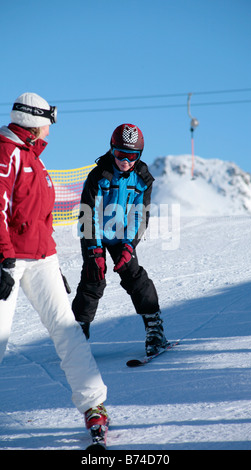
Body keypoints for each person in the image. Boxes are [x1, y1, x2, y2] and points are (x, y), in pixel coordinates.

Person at [0, 92, 108, 450]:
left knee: (67, 329)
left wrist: (51, 260)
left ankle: (93, 404)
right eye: (47, 124)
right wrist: (5, 259)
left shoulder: (32, 158)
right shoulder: (1, 152)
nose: (50, 131)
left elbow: (41, 218)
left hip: (39, 259)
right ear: (34, 125)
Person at [72, 123, 168, 355]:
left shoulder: (143, 178)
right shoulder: (99, 175)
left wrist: (129, 245)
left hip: (123, 236)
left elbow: (139, 215)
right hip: (95, 234)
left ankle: (154, 328)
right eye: (120, 154)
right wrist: (94, 251)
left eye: (132, 155)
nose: (125, 160)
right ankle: (77, 335)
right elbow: (88, 213)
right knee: (93, 278)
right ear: (112, 149)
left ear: (139, 155)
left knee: (134, 276)